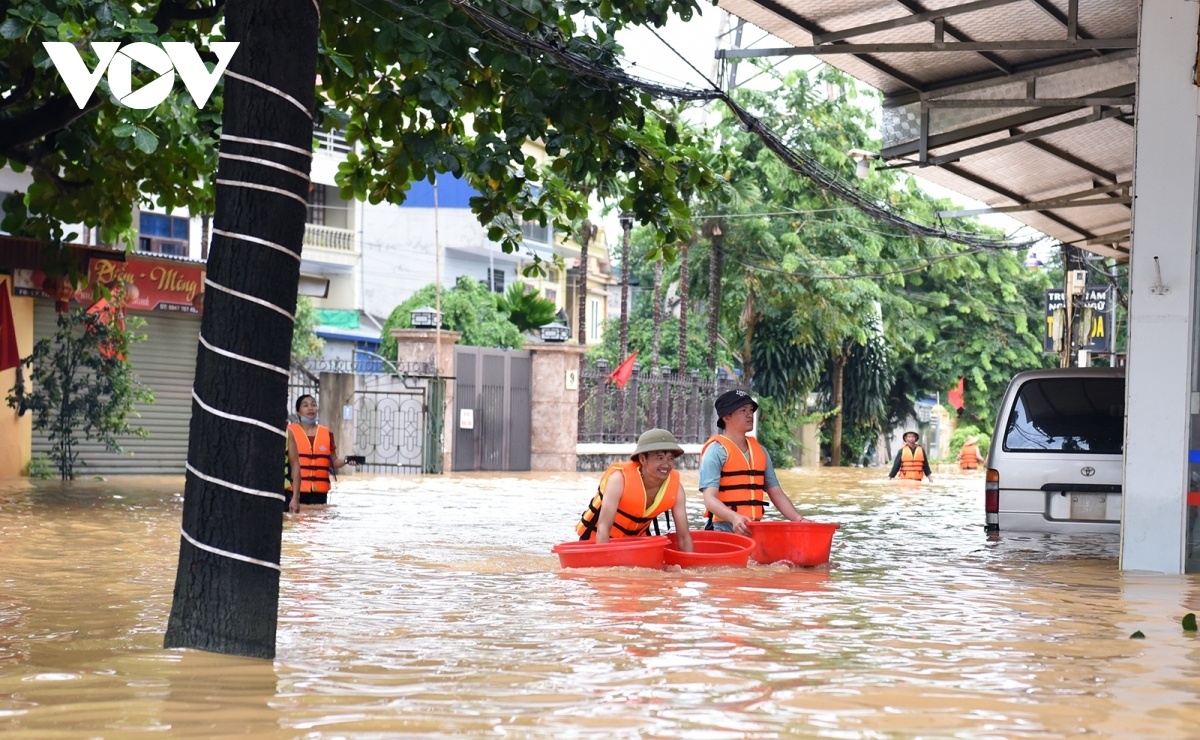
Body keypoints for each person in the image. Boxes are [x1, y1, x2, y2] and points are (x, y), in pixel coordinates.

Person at [700, 389, 806, 536]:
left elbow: (776, 492)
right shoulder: (715, 451)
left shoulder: (760, 451)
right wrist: (735, 518)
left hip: (752, 528)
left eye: (750, 410)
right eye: (743, 410)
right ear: (726, 417)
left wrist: (799, 520)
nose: (750, 415)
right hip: (723, 529)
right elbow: (709, 498)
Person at [576, 428, 694, 552]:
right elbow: (603, 528)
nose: (666, 464)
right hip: (597, 543)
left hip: (635, 546)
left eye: (670, 458)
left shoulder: (677, 489)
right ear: (643, 459)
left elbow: (684, 537)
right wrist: (605, 566)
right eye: (660, 458)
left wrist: (692, 569)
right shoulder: (619, 480)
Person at [286, 395, 357, 513]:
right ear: (298, 412)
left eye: (313, 405)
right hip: (295, 492)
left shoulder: (326, 433)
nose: (311, 408)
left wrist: (346, 460)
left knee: (318, 524)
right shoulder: (290, 432)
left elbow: (333, 461)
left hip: (319, 494)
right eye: (306, 405)